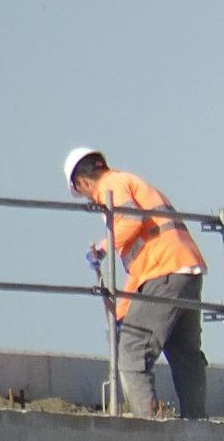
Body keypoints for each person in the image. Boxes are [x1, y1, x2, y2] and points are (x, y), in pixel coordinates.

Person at [63, 147, 209, 419]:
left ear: (81, 182)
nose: (93, 202)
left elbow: (132, 218)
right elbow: (140, 276)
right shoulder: (131, 182)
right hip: (183, 270)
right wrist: (122, 313)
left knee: (130, 351)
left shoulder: (111, 184)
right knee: (184, 353)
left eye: (85, 195)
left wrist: (104, 246)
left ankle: (147, 424)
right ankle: (198, 422)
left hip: (164, 271)